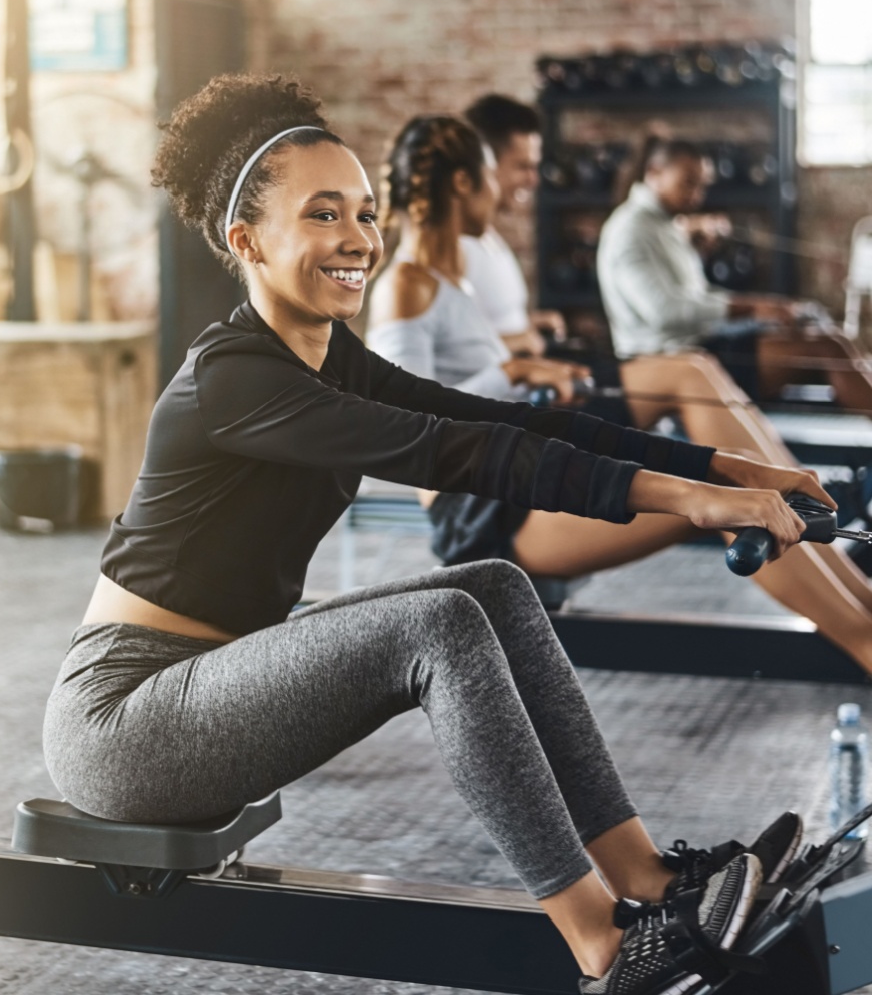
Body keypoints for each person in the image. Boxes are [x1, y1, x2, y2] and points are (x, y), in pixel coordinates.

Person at [43, 73, 828, 993]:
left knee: (491, 583)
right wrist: (681, 504)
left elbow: (502, 423)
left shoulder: (329, 357)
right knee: (439, 627)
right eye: (324, 214)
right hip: (127, 724)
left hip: (207, 691)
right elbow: (450, 452)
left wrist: (721, 469)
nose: (357, 240)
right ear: (247, 242)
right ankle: (607, 951)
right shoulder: (235, 380)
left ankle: (649, 879)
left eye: (366, 214)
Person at [367, 113, 872, 653]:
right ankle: (864, 637)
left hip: (523, 465)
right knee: (723, 505)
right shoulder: (404, 285)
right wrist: (512, 371)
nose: (505, 189)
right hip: (482, 510)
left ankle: (860, 598)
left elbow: (467, 380)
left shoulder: (453, 281)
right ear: (464, 183)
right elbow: (400, 422)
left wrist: (525, 357)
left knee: (738, 482)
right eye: (495, 174)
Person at [598, 136, 872, 412]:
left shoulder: (663, 225)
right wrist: (752, 307)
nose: (696, 195)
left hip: (701, 343)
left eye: (701, 185)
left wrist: (766, 310)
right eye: (687, 183)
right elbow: (663, 311)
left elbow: (696, 295)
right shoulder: (630, 230)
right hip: (670, 359)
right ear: (654, 174)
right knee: (827, 349)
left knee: (824, 333)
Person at [462, 93, 564, 354]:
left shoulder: (488, 237)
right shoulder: (450, 248)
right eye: (522, 167)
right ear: (484, 164)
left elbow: (478, 326)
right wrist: (520, 341)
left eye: (535, 167)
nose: (534, 180)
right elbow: (447, 353)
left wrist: (527, 325)